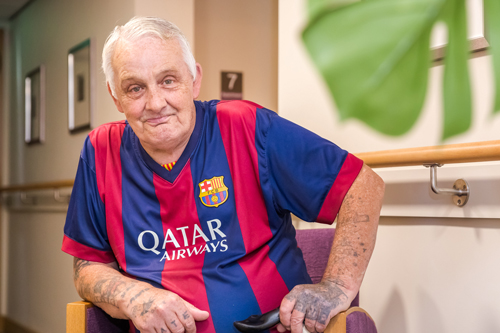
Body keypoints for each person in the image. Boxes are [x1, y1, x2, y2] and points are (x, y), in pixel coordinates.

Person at [62, 16, 384, 333]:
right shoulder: (100, 150)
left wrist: (336, 287)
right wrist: (133, 296)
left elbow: (361, 185)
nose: (156, 103)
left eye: (168, 80)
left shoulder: (247, 126)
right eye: (135, 88)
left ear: (194, 80)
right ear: (115, 96)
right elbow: (88, 266)